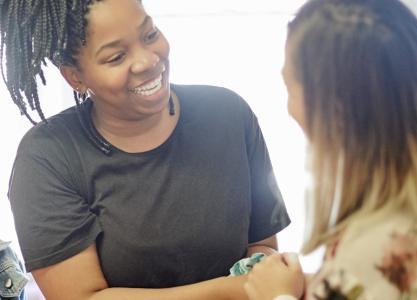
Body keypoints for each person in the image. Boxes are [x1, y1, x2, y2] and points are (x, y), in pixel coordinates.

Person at [1, 0, 290, 299]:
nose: (148, 61)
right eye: (116, 57)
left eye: (150, 35)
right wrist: (237, 290)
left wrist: (270, 273)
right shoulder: (48, 158)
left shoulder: (229, 114)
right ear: (75, 76)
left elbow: (262, 247)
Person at [244, 0, 417, 299]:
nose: (288, 109)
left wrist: (278, 296)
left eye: (289, 88)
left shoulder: (370, 256)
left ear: (335, 115)